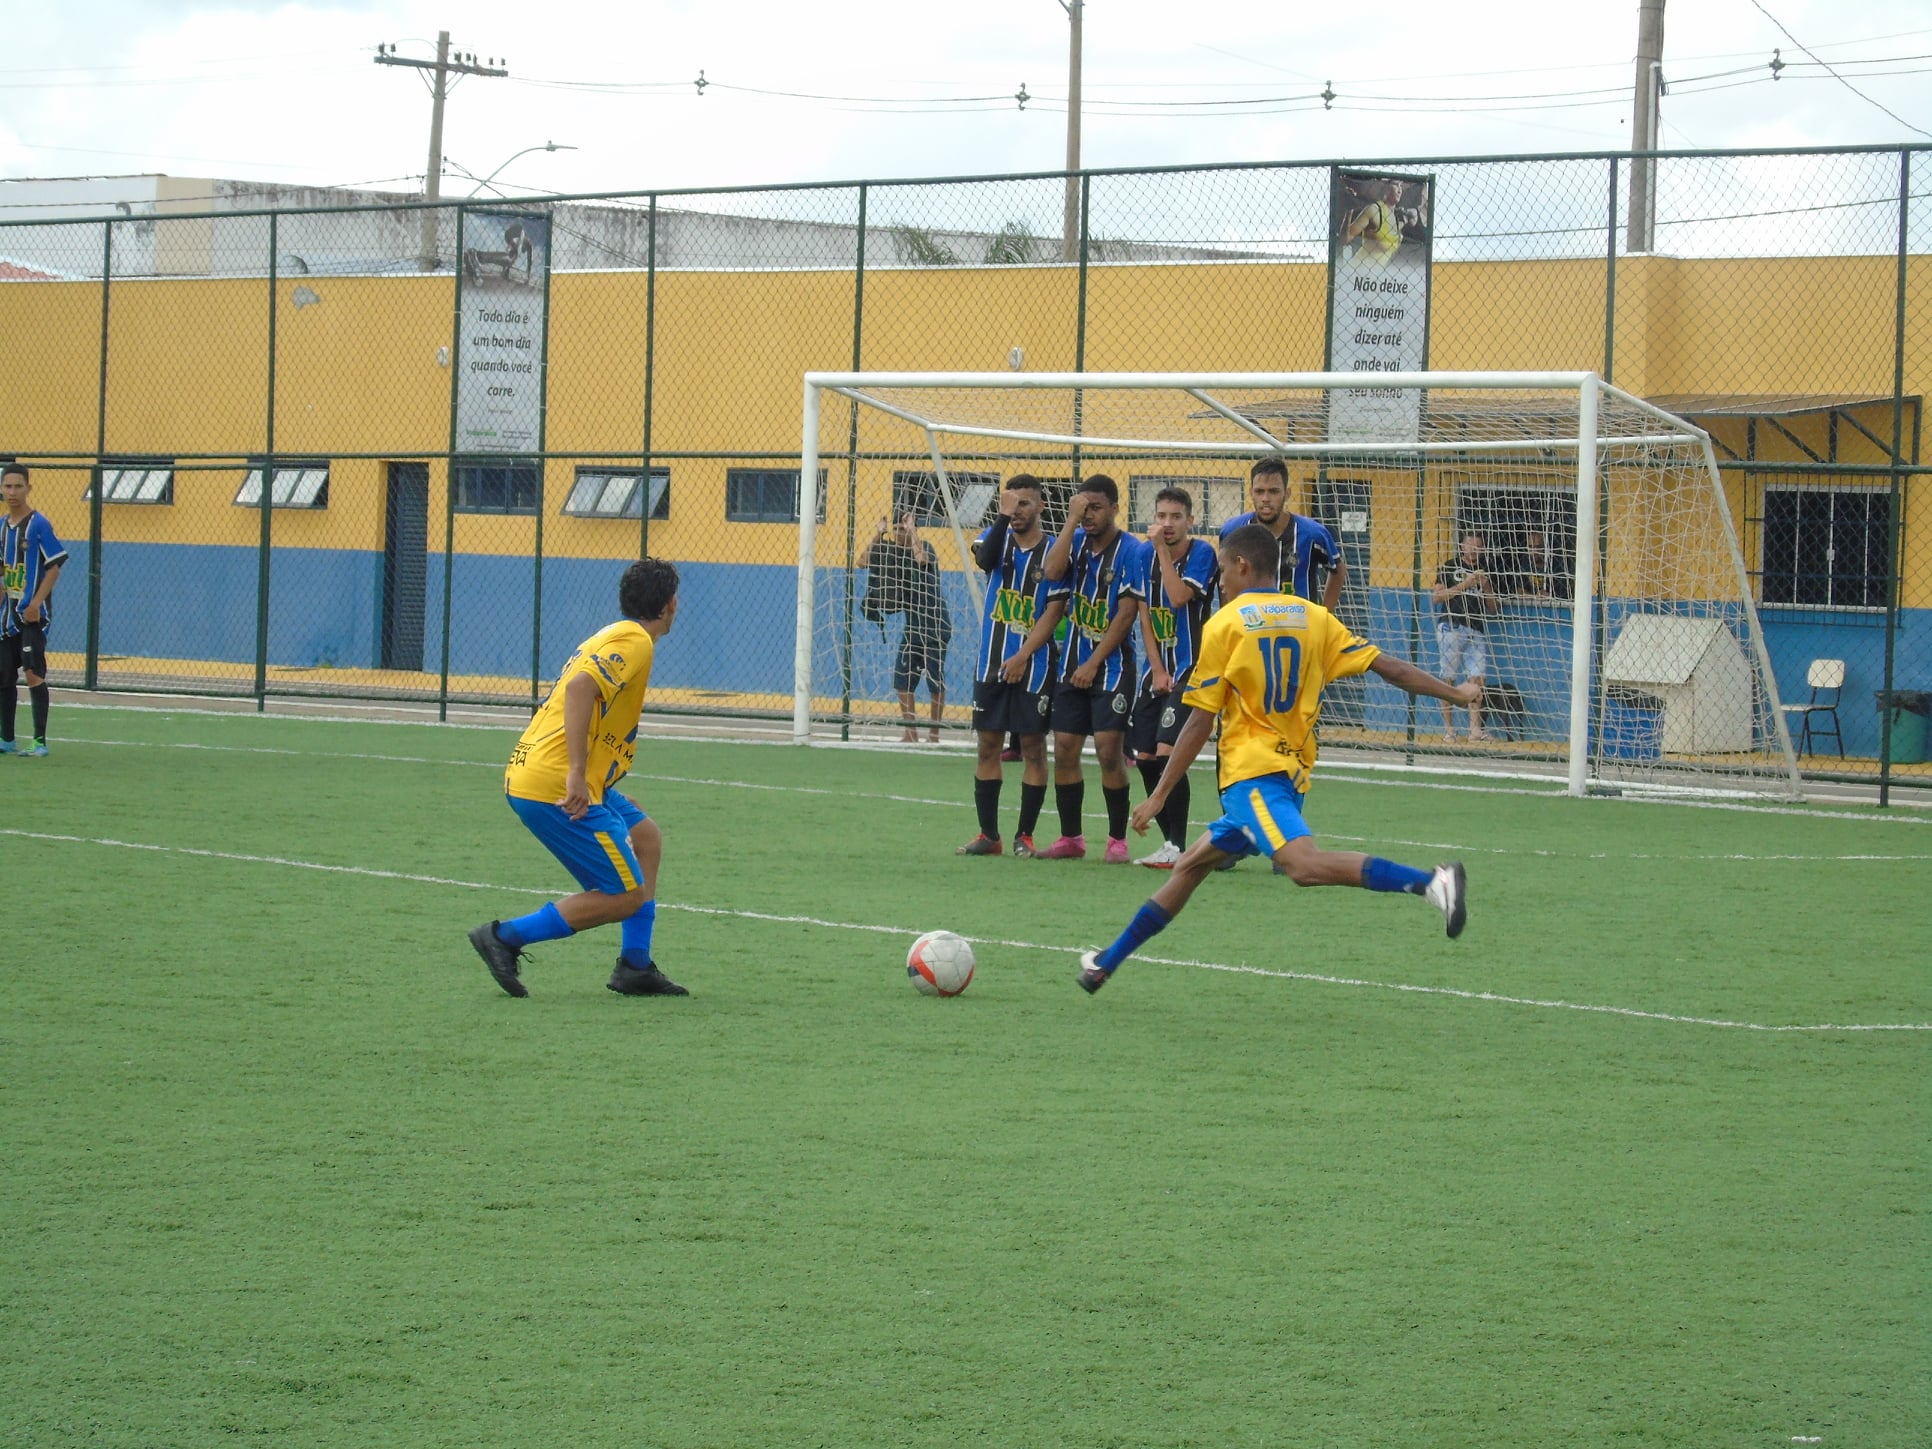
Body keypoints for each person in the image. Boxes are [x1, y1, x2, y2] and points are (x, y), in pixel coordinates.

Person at [1076, 523, 1476, 994]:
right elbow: (1391, 668)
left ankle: (1431, 882)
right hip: (1289, 775)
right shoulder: (1314, 617)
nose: (1221, 581)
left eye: (1224, 569)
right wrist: (1455, 692)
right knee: (1191, 867)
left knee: (1302, 867)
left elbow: (1199, 721)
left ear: (1242, 566)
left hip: (1254, 776)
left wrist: (1160, 794)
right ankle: (1105, 962)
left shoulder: (1224, 624)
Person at [468, 557, 689, 999]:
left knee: (645, 837)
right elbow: (580, 688)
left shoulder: (614, 633)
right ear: (669, 604)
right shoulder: (635, 641)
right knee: (625, 894)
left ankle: (635, 966)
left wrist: (598, 781)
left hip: (549, 775)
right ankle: (505, 936)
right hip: (553, 784)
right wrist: (574, 774)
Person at [1038, 475, 1149, 864]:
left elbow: (1127, 613)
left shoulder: (1133, 551)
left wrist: (1093, 662)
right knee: (1065, 749)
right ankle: (1071, 838)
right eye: (1083, 508)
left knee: (1107, 752)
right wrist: (1070, 522)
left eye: (1096, 508)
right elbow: (1052, 574)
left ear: (1116, 508)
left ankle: (1117, 840)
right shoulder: (1075, 542)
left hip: (1112, 667)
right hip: (1072, 666)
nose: (1089, 515)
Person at [957, 475, 1065, 857]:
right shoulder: (994, 538)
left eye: (1024, 504)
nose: (1016, 511)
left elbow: (1054, 612)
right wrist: (1001, 517)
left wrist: (1022, 656)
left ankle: (1026, 835)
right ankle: (990, 836)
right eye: (1011, 503)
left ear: (1040, 506)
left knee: (1033, 748)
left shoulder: (1055, 552)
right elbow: (985, 561)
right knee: (988, 745)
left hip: (1033, 666)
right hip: (991, 663)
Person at [1128, 485, 1218, 869]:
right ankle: (1169, 843)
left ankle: (1178, 848)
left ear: (1190, 521)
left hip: (1194, 671)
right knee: (1145, 756)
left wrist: (1163, 552)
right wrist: (1157, 668)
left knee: (1167, 753)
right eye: (1161, 516)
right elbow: (1144, 613)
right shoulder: (1141, 554)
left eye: (1175, 517)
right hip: (1159, 671)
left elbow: (1180, 597)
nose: (1166, 524)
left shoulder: (1202, 554)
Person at [861, 510, 952, 743]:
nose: (899, 533)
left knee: (935, 679)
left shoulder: (925, 547)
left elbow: (922, 561)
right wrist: (877, 534)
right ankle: (910, 731)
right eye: (896, 529)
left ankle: (934, 734)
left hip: (934, 623)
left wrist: (912, 532)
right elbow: (862, 562)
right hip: (913, 626)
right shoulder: (890, 551)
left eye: (903, 529)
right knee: (902, 679)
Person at [1219, 457, 1347, 612]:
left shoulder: (1312, 533)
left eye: (1273, 491)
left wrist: (1325, 614)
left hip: (1299, 629)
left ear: (1287, 494)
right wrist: (1226, 615)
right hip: (1249, 625)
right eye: (1260, 491)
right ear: (1251, 493)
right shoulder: (1233, 531)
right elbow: (1224, 575)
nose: (1265, 499)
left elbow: (1337, 569)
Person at [1, 463, 67, 758]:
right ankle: (6, 739)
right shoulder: (2, 527)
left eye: (18, 486)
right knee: (3, 675)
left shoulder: (38, 524)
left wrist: (36, 602)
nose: (12, 492)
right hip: (7, 615)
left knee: (31, 672)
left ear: (29, 488)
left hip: (32, 616)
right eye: (8, 486)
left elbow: (54, 566)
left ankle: (39, 742)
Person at [1431, 531, 1501, 741]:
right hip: (1452, 626)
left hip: (1476, 629)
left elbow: (1493, 608)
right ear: (1462, 547)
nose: (1474, 549)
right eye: (1470, 545)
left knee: (1477, 678)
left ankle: (1474, 730)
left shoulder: (1486, 571)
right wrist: (1466, 584)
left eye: (1478, 546)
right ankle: (1449, 730)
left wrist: (1486, 585)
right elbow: (1437, 597)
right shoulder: (1450, 566)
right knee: (1448, 678)